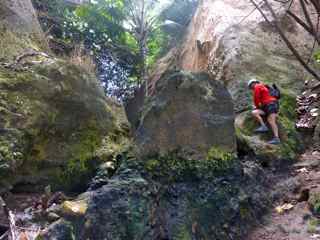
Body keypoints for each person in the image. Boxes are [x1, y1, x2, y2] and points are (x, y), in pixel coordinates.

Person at [248, 79, 281, 145]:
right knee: (255, 112)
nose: (251, 88)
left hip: (271, 105)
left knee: (271, 121)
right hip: (267, 106)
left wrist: (257, 106)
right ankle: (263, 126)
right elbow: (261, 99)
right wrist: (258, 107)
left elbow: (256, 99)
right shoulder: (263, 87)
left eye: (250, 86)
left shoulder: (258, 86)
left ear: (253, 83)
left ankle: (277, 138)